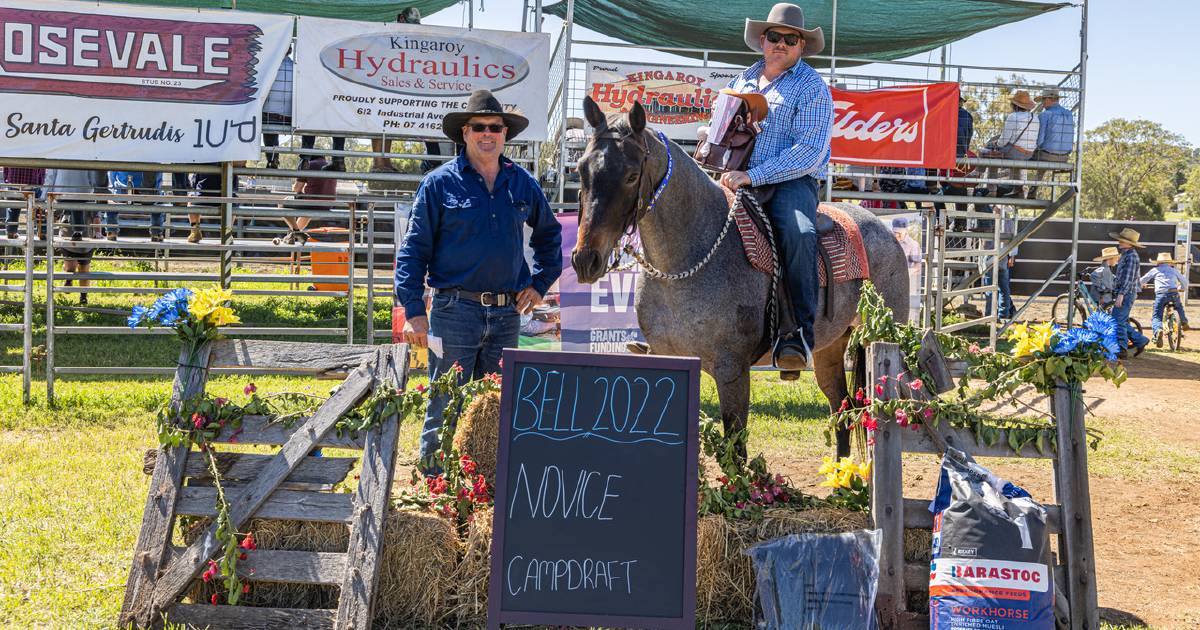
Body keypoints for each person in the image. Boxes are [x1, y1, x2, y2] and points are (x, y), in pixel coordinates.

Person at [395, 89, 562, 473]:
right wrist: (414, 310)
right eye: (479, 127)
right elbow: (413, 251)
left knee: (497, 406)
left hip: (506, 314)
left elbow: (549, 237)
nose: (488, 133)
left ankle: (486, 486)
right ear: (465, 133)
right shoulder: (438, 184)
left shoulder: (522, 183)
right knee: (445, 402)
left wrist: (539, 284)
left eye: (495, 127)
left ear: (505, 133)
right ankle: (435, 487)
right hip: (454, 310)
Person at [720, 2, 831, 370]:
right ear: (762, 41)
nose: (780, 43)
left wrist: (755, 175)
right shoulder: (741, 82)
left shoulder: (812, 86)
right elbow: (720, 129)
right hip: (736, 175)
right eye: (774, 36)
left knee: (799, 232)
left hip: (790, 183)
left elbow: (810, 153)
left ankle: (797, 335)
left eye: (790, 38)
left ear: (801, 46)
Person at [982, 90, 1039, 198]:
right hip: (1029, 154)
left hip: (1015, 153)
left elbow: (1004, 140)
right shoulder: (1034, 117)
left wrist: (995, 145)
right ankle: (1018, 189)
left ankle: (991, 189)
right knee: (1010, 157)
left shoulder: (1013, 116)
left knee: (990, 153)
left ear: (1014, 105)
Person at [1110, 227, 1150, 358]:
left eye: (1122, 240)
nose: (1119, 242)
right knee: (1120, 320)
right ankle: (1140, 341)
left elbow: (1128, 278)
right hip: (1126, 292)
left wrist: (1121, 294)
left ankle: (1122, 349)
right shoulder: (1127, 255)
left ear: (1129, 244)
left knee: (1117, 320)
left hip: (1126, 293)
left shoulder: (1131, 256)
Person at [1029, 87, 1075, 199]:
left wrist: (1030, 150)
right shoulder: (1069, 114)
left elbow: (1040, 140)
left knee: (1021, 156)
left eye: (1043, 100)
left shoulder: (1045, 115)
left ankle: (1017, 189)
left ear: (1049, 99)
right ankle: (1032, 190)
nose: (1042, 104)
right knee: (1044, 155)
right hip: (1064, 157)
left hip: (1046, 155)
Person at [41, 169, 107, 241]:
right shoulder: (88, 157)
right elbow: (92, 176)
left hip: (61, 191)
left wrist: (44, 196)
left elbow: (51, 177)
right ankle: (78, 232)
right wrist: (92, 187)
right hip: (82, 191)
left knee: (59, 203)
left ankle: (53, 227)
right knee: (78, 205)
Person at [286, 155, 338, 244]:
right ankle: (292, 236)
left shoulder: (308, 164)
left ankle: (296, 232)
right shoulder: (331, 165)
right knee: (306, 214)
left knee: (283, 203)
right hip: (328, 204)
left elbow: (296, 189)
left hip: (312, 203)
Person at [1141, 252, 1190, 345]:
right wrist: (1182, 288)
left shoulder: (1155, 270)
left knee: (1156, 315)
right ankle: (1183, 321)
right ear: (1170, 262)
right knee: (1179, 307)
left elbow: (1143, 279)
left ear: (1158, 262)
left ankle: (1158, 330)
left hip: (1161, 294)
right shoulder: (1173, 270)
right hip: (1173, 292)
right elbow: (1184, 281)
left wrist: (1141, 285)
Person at [105, 171, 165, 241]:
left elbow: (113, 175)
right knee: (159, 197)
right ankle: (156, 233)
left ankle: (111, 231)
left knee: (113, 195)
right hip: (147, 193)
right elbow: (158, 177)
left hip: (123, 190)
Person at [262, 49, 295, 170]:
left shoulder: (269, 66)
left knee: (266, 117)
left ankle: (272, 158)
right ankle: (305, 159)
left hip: (269, 116)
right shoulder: (295, 67)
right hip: (292, 117)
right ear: (290, 51)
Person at [892, 217, 922, 322]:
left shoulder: (913, 245)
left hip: (908, 281)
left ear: (905, 230)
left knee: (908, 306)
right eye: (894, 232)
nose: (896, 235)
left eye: (899, 232)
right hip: (892, 279)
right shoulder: (890, 243)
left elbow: (918, 265)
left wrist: (907, 272)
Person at [3, 167, 45, 239]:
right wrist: (41, 182)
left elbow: (6, 166)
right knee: (39, 207)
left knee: (13, 208)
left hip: (13, 182)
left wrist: (7, 179)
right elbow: (41, 168)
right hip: (32, 183)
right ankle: (43, 232)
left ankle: (11, 231)